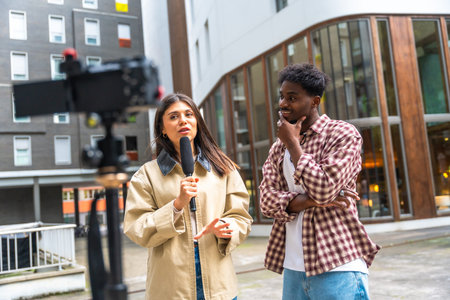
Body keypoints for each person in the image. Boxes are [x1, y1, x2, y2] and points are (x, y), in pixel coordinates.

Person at [259, 63, 380, 299]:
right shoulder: (277, 148)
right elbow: (266, 202)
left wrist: (293, 146)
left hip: (337, 264)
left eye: (292, 97)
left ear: (314, 101)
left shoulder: (342, 134)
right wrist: (311, 201)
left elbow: (323, 188)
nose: (283, 104)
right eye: (282, 97)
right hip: (293, 267)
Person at [124, 93, 252, 300]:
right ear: (163, 129)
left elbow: (241, 217)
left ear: (197, 122)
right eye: (173, 116)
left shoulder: (223, 167)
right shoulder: (146, 174)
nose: (183, 120)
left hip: (218, 281)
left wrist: (226, 227)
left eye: (188, 114)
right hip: (170, 284)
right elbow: (136, 227)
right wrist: (176, 205)